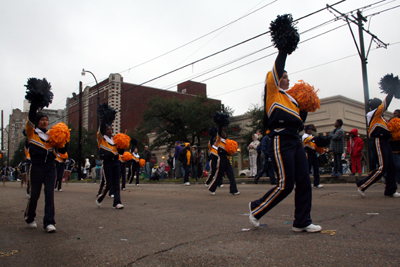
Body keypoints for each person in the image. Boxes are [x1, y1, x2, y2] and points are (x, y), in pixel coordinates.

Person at [248, 47, 321, 232]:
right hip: (280, 140)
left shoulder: (294, 100)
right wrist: (283, 50)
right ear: (277, 79)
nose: (288, 79)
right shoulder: (273, 93)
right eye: (285, 76)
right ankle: (256, 208)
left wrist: (305, 106)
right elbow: (278, 67)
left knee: (304, 181)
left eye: (288, 77)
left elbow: (300, 123)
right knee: (286, 185)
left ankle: (302, 221)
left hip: (295, 141)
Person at [24, 91, 69, 233]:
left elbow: (62, 151)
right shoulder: (32, 132)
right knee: (35, 195)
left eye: (46, 120)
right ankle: (30, 217)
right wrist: (35, 104)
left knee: (49, 194)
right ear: (37, 122)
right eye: (42, 119)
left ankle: (49, 222)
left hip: (50, 167)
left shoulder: (52, 135)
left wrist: (64, 139)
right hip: (36, 166)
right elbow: (31, 117)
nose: (45, 122)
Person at [356, 95, 399, 197]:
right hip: (378, 141)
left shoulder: (380, 118)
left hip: (385, 142)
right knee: (382, 167)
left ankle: (390, 190)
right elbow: (386, 103)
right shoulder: (373, 114)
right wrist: (391, 92)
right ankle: (362, 185)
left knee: (391, 167)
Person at [95, 113, 124, 209]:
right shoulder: (101, 139)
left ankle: (117, 202)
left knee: (116, 183)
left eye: (110, 129)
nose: (110, 131)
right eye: (107, 129)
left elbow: (120, 152)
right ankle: (100, 198)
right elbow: (101, 127)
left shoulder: (115, 140)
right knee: (108, 184)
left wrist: (123, 146)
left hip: (116, 162)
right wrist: (104, 118)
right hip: (107, 163)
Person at [208, 114, 239, 195]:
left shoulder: (227, 141)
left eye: (224, 133)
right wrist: (221, 124)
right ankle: (212, 188)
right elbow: (220, 129)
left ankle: (234, 190)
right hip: (221, 159)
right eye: (222, 133)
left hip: (226, 158)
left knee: (231, 174)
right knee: (219, 175)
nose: (224, 133)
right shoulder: (219, 140)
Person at [389, 109, 400, 184]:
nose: (394, 114)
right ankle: (397, 180)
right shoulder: (391, 121)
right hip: (394, 146)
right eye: (394, 113)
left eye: (396, 113)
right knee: (397, 165)